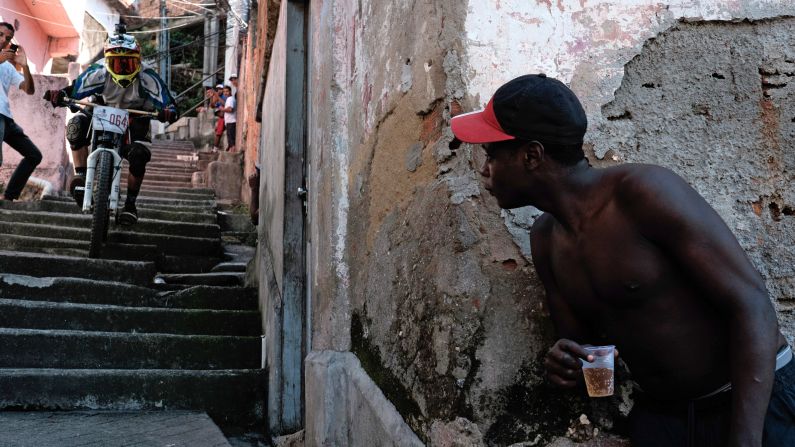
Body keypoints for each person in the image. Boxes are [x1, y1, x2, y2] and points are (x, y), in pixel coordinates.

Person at [450, 74, 794, 447]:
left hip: (753, 404)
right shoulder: (545, 240)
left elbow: (753, 305)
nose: (484, 171)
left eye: (491, 156)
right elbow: (589, 358)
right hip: (666, 418)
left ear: (532, 156)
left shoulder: (644, 194)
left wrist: (745, 438)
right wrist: (567, 363)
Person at [44, 26, 177, 225]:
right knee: (75, 126)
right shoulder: (99, 71)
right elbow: (75, 89)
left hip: (136, 114)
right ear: (107, 62)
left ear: (138, 62)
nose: (122, 68)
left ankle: (130, 204)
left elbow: (169, 103)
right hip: (101, 107)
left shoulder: (148, 77)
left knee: (139, 155)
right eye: (116, 63)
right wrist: (60, 94)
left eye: (128, 63)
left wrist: (169, 112)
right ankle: (80, 176)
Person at [0, 22, 41, 202]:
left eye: (8, 38)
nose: (3, 40)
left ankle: (9, 198)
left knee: (34, 155)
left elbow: (29, 89)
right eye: (0, 35)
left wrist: (25, 66)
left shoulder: (8, 67)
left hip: (7, 119)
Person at [222, 85, 236, 152]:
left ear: (230, 91)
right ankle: (231, 153)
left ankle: (232, 156)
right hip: (229, 122)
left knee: (232, 142)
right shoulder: (229, 99)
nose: (225, 93)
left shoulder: (230, 99)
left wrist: (222, 109)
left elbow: (230, 109)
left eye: (227, 91)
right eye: (224, 91)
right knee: (230, 142)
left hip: (231, 122)